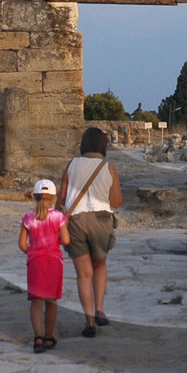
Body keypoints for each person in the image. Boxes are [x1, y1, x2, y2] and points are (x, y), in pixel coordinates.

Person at [56, 126, 123, 338]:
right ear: (103, 145)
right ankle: (100, 309)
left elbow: (61, 199)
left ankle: (89, 322)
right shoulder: (108, 167)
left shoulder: (72, 164)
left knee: (83, 274)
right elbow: (116, 202)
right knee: (99, 264)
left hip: (76, 222)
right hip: (101, 221)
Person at [18, 178, 70, 354]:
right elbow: (66, 240)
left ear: (34, 196)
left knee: (36, 302)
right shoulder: (58, 217)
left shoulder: (28, 217)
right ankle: (49, 336)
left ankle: (38, 337)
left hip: (35, 262)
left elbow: (22, 244)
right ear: (53, 198)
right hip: (53, 262)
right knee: (51, 301)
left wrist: (32, 252)